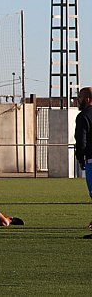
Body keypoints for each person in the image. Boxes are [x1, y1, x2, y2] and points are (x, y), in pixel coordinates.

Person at [74, 86, 92, 239]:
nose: (77, 100)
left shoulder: (83, 116)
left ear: (87, 100)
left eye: (79, 98)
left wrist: (80, 159)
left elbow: (81, 141)